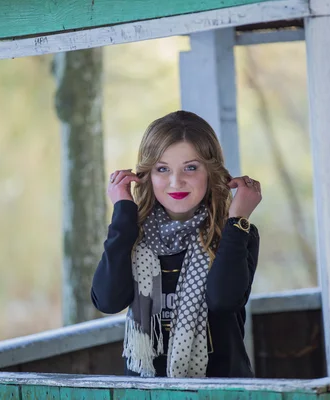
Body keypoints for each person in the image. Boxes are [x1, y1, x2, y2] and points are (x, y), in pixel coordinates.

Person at [91, 110, 261, 378]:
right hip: (146, 395)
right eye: (162, 169)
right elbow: (108, 300)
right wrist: (123, 211)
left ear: (210, 170)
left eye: (190, 168)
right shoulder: (130, 234)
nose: (175, 181)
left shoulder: (234, 233)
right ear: (147, 173)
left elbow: (223, 300)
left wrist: (238, 219)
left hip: (222, 393)